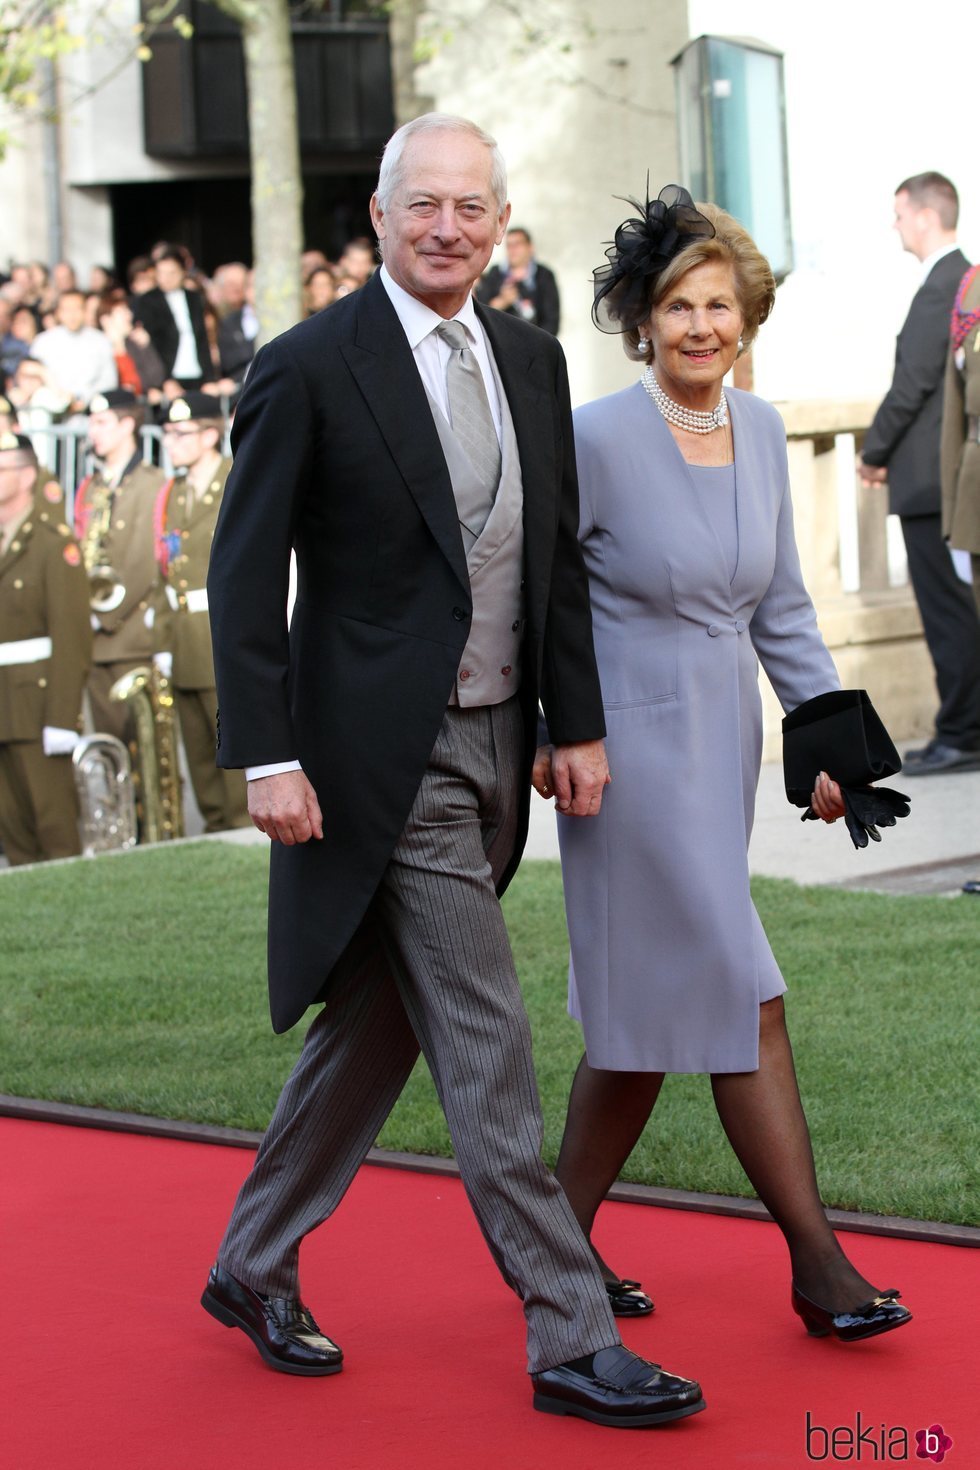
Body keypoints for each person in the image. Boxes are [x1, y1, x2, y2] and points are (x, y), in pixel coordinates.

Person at [200, 113, 705, 1430]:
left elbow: (549, 563)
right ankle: (569, 1333)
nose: (445, 228)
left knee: (376, 1021)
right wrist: (268, 752)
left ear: (497, 222)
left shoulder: (532, 359)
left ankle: (250, 1261)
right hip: (380, 761)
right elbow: (244, 574)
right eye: (421, 204)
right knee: (488, 1032)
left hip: (497, 739)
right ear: (377, 216)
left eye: (470, 208)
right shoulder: (307, 364)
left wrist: (571, 722)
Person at [536, 186, 912, 1345]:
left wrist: (833, 749)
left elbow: (782, 610)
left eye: (719, 305)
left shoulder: (756, 426)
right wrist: (556, 732)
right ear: (638, 321)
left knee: (640, 1029)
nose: (701, 325)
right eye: (677, 305)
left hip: (719, 753)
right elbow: (535, 600)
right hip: (626, 762)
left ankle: (550, 1246)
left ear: (743, 317)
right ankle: (817, 1266)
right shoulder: (593, 436)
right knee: (744, 998)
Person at [859, 173, 980, 774]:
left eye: (900, 213)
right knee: (959, 606)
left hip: (934, 484)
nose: (896, 224)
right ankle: (962, 727)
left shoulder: (943, 286)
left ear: (927, 217)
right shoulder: (961, 282)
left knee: (948, 611)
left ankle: (962, 732)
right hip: (949, 479)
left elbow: (913, 385)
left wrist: (873, 451)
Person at [153, 394, 248, 832]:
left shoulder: (235, 478)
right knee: (198, 754)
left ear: (211, 434)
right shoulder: (175, 492)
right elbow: (166, 572)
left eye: (182, 433)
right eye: (168, 433)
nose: (172, 442)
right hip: (183, 638)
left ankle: (238, 830)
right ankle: (214, 829)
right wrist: (162, 643)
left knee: (234, 759)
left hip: (223, 634)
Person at [0, 432, 91, 865]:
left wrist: (62, 716)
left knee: (54, 832)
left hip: (38, 707)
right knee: (13, 833)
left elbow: (72, 637)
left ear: (27, 475)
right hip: (4, 705)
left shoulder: (55, 544)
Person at [75, 390, 164, 742]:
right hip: (94, 640)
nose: (92, 432)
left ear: (128, 424)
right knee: (110, 750)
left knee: (147, 752)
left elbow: (144, 560)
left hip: (133, 637)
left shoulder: (152, 482)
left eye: (101, 422)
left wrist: (104, 614)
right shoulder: (92, 486)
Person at [134, 249, 215, 392]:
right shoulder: (147, 301)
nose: (167, 278)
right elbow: (149, 345)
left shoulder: (194, 298)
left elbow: (201, 339)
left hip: (197, 374)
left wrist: (210, 379)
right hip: (168, 378)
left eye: (172, 273)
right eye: (162, 273)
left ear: (183, 272)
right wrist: (163, 380)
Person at [31, 290, 118, 411]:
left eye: (77, 308)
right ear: (58, 312)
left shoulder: (100, 341)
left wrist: (85, 398)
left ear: (85, 310)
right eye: (67, 309)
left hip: (92, 411)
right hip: (51, 410)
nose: (72, 315)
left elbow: (109, 380)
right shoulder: (43, 342)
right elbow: (33, 376)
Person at [477, 226, 561, 335]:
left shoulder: (544, 275)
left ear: (530, 247)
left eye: (517, 244)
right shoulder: (495, 273)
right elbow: (480, 313)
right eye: (509, 245)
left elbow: (552, 321)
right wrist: (503, 301)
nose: (512, 249)